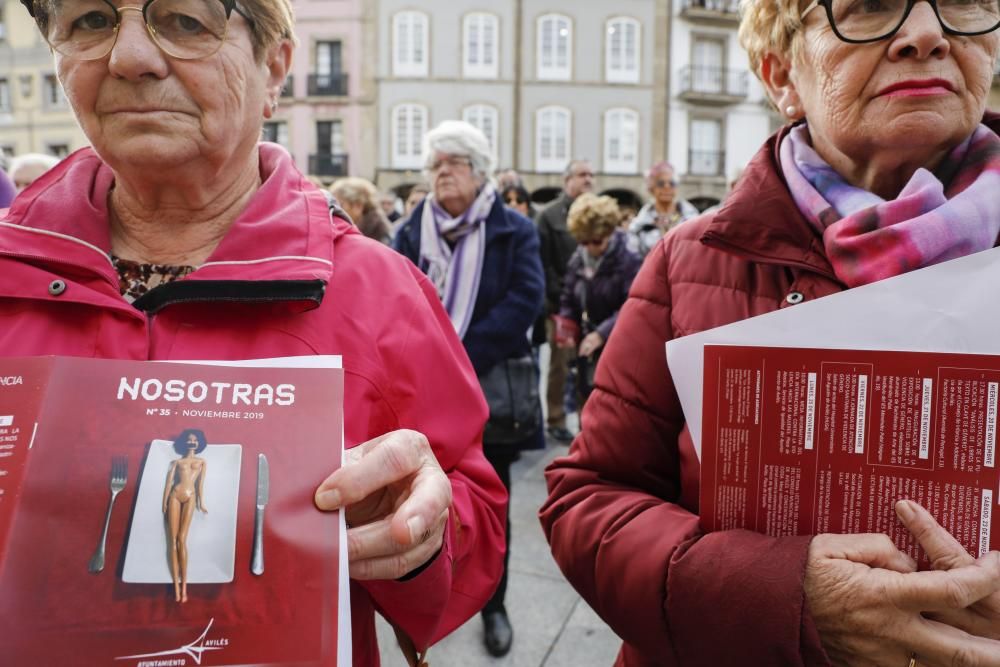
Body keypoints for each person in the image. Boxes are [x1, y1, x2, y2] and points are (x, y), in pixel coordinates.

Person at [6, 2, 505, 664]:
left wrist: (423, 534)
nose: (127, 57)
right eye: (91, 18)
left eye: (184, 20)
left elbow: (477, 533)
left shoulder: (379, 292)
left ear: (274, 69)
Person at [540, 0, 1000, 663]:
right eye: (868, 7)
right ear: (782, 75)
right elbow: (587, 500)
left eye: (962, 1)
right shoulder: (688, 260)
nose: (926, 34)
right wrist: (780, 593)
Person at [394, 120, 545, 659]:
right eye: (434, 166)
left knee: (489, 503)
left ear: (477, 171)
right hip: (422, 393)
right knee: (417, 494)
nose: (440, 175)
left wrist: (456, 357)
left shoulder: (514, 230)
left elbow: (525, 302)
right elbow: (395, 299)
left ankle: (494, 605)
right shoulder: (412, 229)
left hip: (485, 391)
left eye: (451, 164)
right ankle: (425, 599)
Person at [553, 194, 641, 406]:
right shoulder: (578, 258)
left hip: (618, 344)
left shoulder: (628, 258)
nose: (591, 247)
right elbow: (568, 296)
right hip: (587, 344)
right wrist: (566, 324)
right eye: (584, 242)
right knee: (587, 401)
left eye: (596, 241)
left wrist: (601, 334)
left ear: (608, 232)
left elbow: (633, 305)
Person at [535, 159, 595, 443]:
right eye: (582, 174)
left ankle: (588, 419)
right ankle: (556, 418)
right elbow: (542, 263)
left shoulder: (596, 212)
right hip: (559, 304)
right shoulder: (549, 215)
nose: (588, 180)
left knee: (587, 364)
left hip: (591, 305)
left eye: (591, 175)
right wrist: (558, 301)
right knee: (559, 364)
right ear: (567, 180)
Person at [162, 429, 208, 604]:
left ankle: (185, 587)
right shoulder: (176, 462)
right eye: (189, 439)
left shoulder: (202, 462)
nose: (192, 442)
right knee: (172, 540)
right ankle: (176, 588)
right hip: (175, 494)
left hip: (190, 496)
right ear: (184, 442)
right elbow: (168, 483)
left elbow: (200, 484)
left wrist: (201, 502)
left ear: (199, 443)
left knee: (182, 538)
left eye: (195, 440)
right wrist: (164, 502)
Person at [626, 161, 699, 258]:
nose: (667, 187)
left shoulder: (692, 219)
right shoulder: (640, 225)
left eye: (672, 183)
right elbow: (634, 257)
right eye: (661, 183)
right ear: (651, 188)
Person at [329, 177, 392, 244]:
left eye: (340, 205)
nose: (335, 210)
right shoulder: (368, 229)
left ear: (358, 205)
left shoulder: (380, 236)